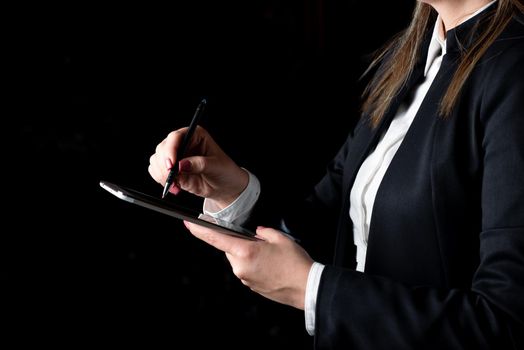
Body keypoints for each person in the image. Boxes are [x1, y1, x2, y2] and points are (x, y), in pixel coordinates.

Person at [148, 0, 524, 348]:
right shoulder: (411, 57)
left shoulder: (514, 69)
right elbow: (327, 223)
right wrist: (231, 190)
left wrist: (310, 289)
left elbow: (504, 322)